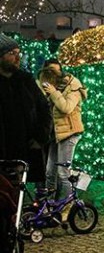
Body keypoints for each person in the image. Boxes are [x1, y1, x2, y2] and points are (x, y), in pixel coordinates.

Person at [0, 34, 50, 188]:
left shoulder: (25, 80)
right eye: (12, 53)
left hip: (22, 151)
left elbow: (43, 108)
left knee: (16, 194)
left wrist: (40, 137)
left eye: (18, 53)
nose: (17, 58)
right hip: (2, 151)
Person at [38, 62, 87, 202]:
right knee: (49, 172)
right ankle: (49, 204)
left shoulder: (74, 86)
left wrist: (53, 93)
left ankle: (66, 206)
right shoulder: (54, 86)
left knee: (63, 173)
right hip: (56, 134)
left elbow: (66, 108)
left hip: (69, 133)